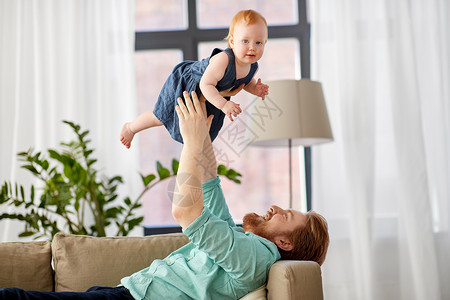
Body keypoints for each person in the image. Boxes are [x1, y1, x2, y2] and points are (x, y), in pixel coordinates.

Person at [0, 91, 329, 300]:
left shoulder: (256, 256)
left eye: (285, 215)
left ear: (285, 244)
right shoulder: (241, 245)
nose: (274, 207)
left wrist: (191, 141)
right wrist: (204, 125)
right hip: (124, 292)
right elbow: (209, 183)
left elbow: (188, 214)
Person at [120, 9, 270, 148]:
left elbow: (245, 83)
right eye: (245, 41)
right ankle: (131, 127)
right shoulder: (223, 60)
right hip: (188, 83)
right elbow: (206, 84)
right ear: (231, 42)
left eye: (258, 42)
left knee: (202, 133)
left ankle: (202, 169)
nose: (252, 47)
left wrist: (254, 88)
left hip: (212, 96)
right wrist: (224, 105)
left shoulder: (253, 66)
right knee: (161, 116)